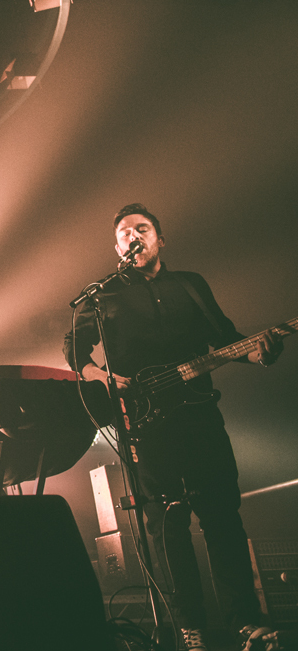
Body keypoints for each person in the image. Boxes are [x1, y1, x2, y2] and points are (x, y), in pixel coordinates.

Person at [63, 204, 285, 651]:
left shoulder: (190, 284)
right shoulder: (101, 297)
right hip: (144, 424)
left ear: (160, 239)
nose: (133, 237)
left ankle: (245, 620)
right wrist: (101, 375)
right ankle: (190, 626)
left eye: (142, 229)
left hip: (200, 414)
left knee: (222, 515)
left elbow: (225, 338)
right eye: (125, 233)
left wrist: (260, 353)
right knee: (166, 524)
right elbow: (74, 349)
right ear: (117, 247)